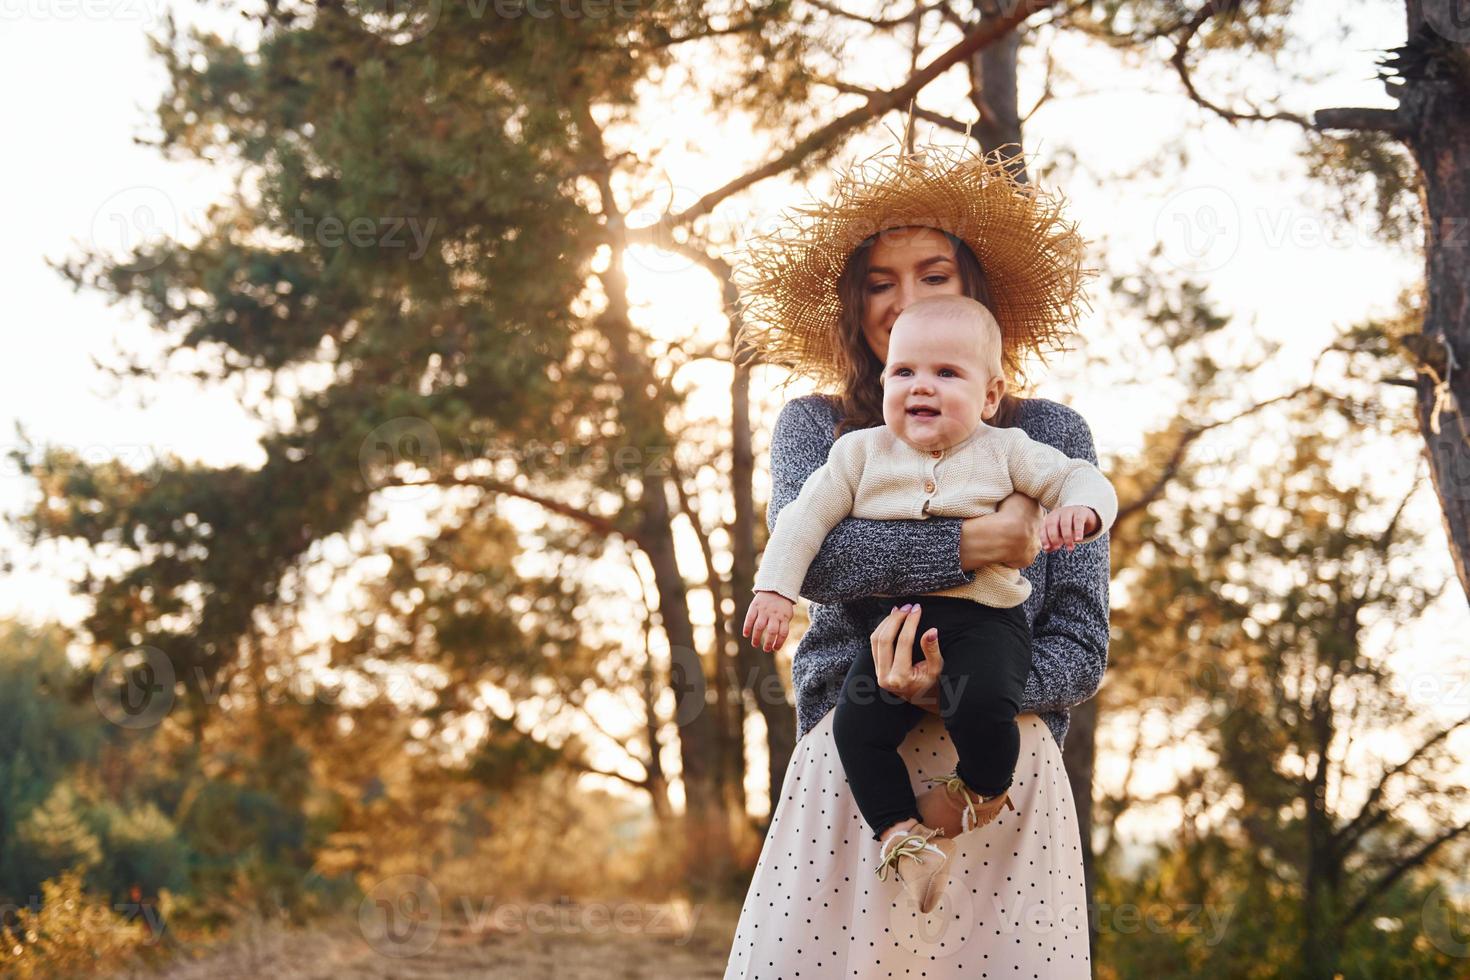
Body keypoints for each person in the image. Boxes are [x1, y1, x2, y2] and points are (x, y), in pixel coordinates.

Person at [722, 138, 1106, 978]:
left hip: (1005, 761)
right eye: (879, 284)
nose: (903, 302)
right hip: (856, 760)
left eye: (932, 276)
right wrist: (976, 543)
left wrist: (959, 687)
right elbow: (819, 563)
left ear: (975, 291)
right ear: (854, 309)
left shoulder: (1050, 438)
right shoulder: (818, 428)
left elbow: (1081, 646)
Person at [741, 294, 1117, 914]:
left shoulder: (1010, 448)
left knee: (986, 699)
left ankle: (981, 788)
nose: (923, 387)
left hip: (985, 620)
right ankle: (900, 836)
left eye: (947, 374)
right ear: (884, 376)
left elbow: (1081, 478)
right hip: (899, 627)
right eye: (905, 371)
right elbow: (802, 523)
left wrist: (1082, 507)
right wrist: (775, 590)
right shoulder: (856, 453)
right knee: (856, 728)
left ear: (989, 396)